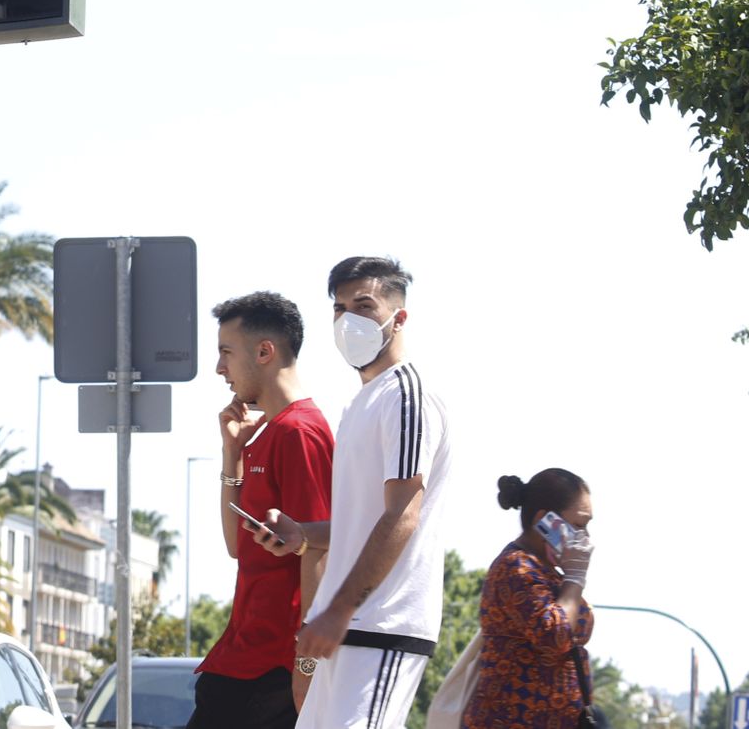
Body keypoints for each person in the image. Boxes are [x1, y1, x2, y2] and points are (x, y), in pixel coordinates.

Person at [247, 256, 452, 729]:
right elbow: (362, 525)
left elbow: (403, 514)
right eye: (339, 308)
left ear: (398, 317)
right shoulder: (365, 400)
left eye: (364, 304)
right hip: (347, 626)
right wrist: (303, 536)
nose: (348, 319)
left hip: (381, 623)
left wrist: (340, 610)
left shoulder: (406, 395)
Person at [189, 292, 335, 729]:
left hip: (274, 671)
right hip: (242, 658)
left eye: (225, 353)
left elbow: (319, 548)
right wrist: (231, 452)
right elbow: (237, 546)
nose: (219, 368)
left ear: (265, 352)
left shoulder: (300, 432)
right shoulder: (270, 433)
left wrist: (307, 670)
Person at [462, 470, 596, 729]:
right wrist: (576, 579)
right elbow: (555, 634)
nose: (586, 538)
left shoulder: (550, 574)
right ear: (545, 521)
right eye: (578, 525)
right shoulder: (516, 568)